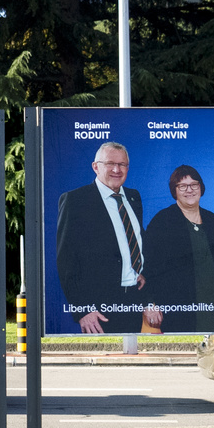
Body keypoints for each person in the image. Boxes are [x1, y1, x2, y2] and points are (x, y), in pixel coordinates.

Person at [56, 141, 146, 334]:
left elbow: (135, 239)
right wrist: (82, 310)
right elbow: (66, 261)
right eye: (110, 163)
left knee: (132, 352)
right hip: (98, 309)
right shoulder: (75, 201)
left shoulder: (133, 197)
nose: (116, 169)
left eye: (122, 164)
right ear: (95, 167)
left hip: (133, 300)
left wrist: (139, 269)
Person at [141, 165, 214, 333]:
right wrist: (148, 303)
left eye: (194, 184)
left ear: (201, 188)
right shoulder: (162, 222)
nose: (189, 190)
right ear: (174, 190)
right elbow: (146, 267)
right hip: (179, 311)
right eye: (182, 186)